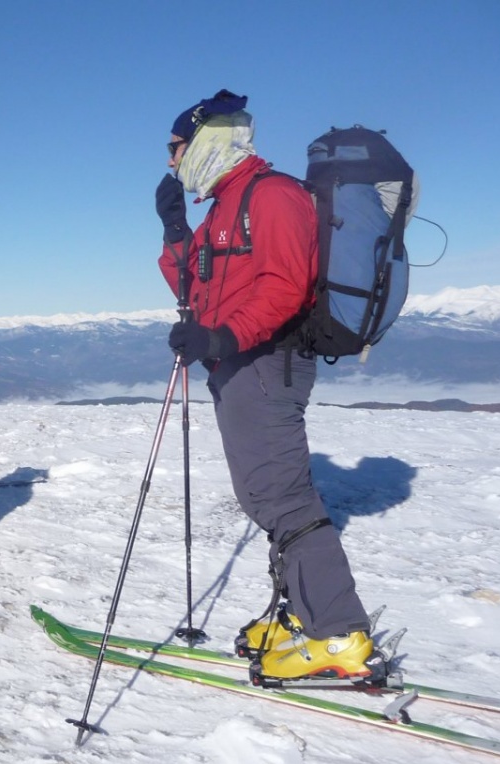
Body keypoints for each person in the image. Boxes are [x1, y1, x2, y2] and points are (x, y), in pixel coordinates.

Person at [155, 89, 381, 682]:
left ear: (206, 140)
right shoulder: (226, 205)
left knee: (281, 497)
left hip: (265, 364)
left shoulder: (273, 196)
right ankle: (300, 616)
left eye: (176, 148)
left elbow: (285, 287)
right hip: (239, 366)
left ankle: (338, 633)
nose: (172, 160)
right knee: (264, 495)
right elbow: (192, 286)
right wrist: (174, 228)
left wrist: (222, 339)